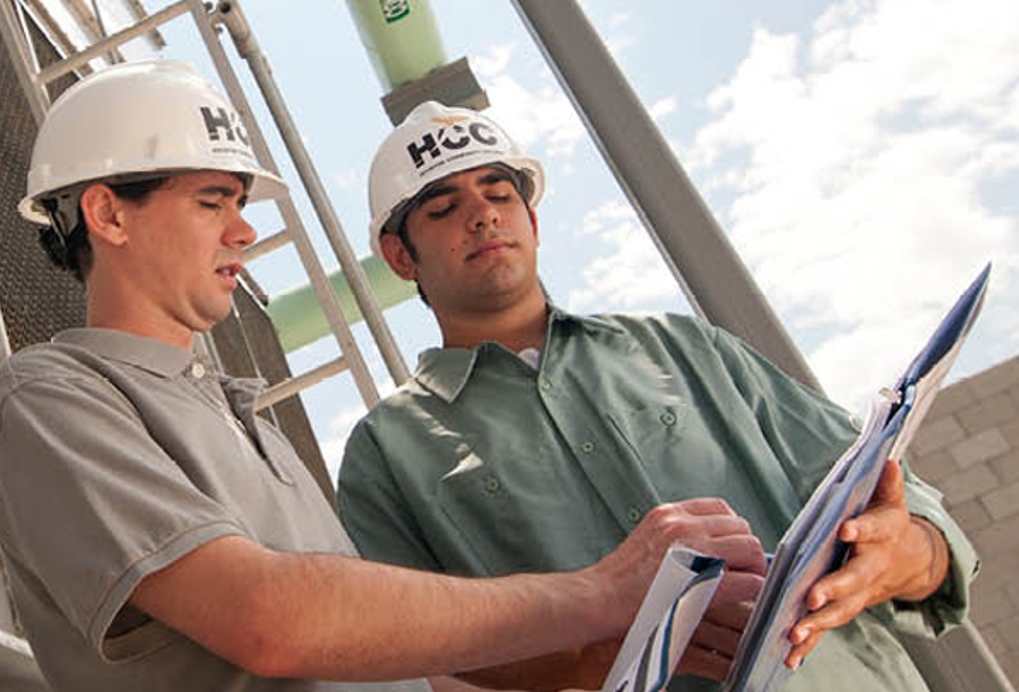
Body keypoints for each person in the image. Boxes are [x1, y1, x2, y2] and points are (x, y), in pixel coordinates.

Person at [0, 61, 769, 692]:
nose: (245, 230)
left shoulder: (240, 419)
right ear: (110, 215)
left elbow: (381, 662)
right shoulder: (51, 398)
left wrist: (606, 659)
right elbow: (268, 621)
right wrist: (603, 593)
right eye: (214, 201)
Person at [337, 101, 981, 691]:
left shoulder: (686, 348)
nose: (483, 215)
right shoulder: (387, 454)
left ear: (531, 219)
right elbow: (406, 652)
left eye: (500, 193)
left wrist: (907, 551)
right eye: (444, 208)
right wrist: (595, 654)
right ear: (399, 255)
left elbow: (886, 503)